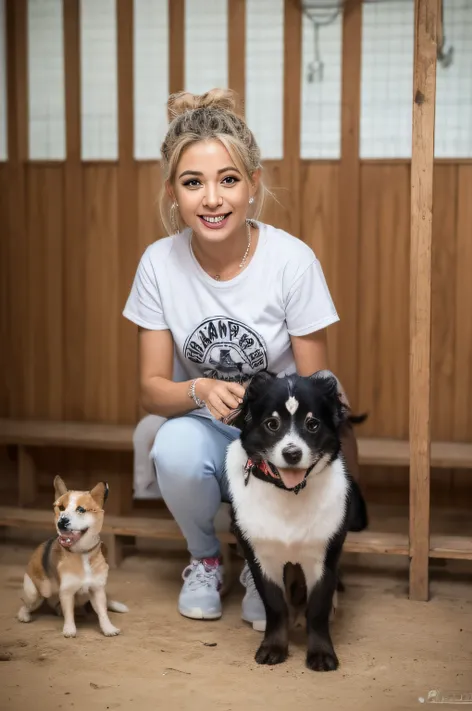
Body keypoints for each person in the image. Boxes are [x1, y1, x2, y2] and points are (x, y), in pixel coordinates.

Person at [123, 88, 354, 630]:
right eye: (192, 182)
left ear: (253, 185)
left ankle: (263, 565)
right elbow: (152, 389)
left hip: (277, 431)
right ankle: (205, 558)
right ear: (172, 193)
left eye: (228, 180)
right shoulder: (158, 263)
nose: (212, 199)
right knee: (171, 445)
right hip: (205, 427)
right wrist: (200, 389)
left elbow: (317, 383)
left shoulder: (292, 261)